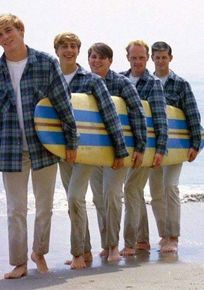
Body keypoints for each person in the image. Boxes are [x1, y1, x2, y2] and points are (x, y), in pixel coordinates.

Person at [0, 14, 78, 279]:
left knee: (45, 207)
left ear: (20, 30)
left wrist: (71, 142)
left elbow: (63, 105)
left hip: (44, 147)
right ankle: (19, 262)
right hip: (10, 150)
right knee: (15, 209)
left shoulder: (46, 63)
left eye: (8, 31)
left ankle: (39, 252)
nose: (5, 37)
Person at [54, 32, 128, 268]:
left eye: (73, 46)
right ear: (56, 50)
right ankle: (85, 251)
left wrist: (119, 149)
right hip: (60, 149)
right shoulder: (51, 79)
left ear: (78, 50)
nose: (68, 50)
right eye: (64, 46)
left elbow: (110, 114)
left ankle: (77, 253)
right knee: (71, 200)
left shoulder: (91, 80)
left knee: (76, 196)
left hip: (86, 148)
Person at [88, 42, 146, 260]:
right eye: (93, 57)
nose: (97, 61)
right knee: (98, 199)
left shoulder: (121, 83)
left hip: (118, 151)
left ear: (110, 61)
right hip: (92, 152)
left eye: (102, 57)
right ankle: (106, 244)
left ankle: (113, 247)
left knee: (112, 195)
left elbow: (137, 113)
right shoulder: (84, 82)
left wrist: (140, 147)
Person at [141, 41, 201, 253]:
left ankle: (173, 236)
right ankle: (163, 234)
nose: (160, 61)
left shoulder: (180, 84)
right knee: (156, 192)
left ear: (170, 58)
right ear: (152, 59)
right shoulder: (145, 82)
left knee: (171, 187)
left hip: (175, 147)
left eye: (163, 57)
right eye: (156, 57)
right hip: (152, 147)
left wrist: (196, 144)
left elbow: (193, 114)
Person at [119, 40, 168, 256]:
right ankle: (143, 241)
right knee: (135, 192)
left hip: (145, 146)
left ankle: (129, 243)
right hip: (124, 147)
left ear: (147, 58)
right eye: (133, 57)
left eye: (141, 57)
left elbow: (160, 118)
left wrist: (160, 149)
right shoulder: (119, 79)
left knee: (131, 188)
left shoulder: (153, 83)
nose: (137, 61)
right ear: (127, 57)